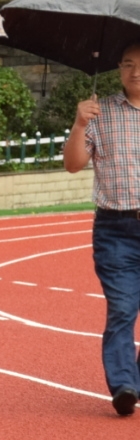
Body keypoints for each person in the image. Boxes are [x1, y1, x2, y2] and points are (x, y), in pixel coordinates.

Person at [63, 43, 140, 416]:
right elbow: (74, 164)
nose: (135, 72)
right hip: (116, 229)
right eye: (128, 65)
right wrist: (79, 124)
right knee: (123, 308)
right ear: (118, 69)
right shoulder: (100, 111)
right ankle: (124, 384)